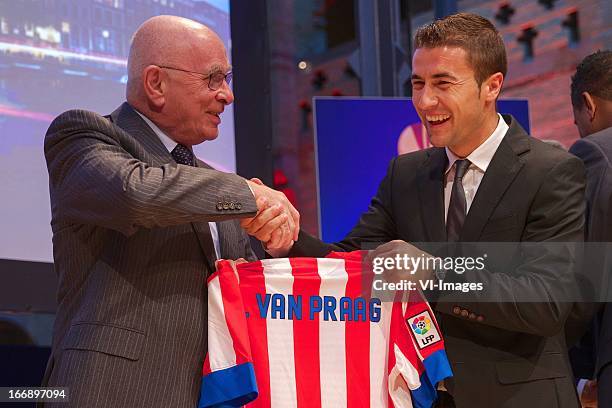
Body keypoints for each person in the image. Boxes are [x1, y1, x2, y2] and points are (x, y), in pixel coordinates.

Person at [246, 13, 586, 408]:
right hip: (420, 395)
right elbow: (353, 262)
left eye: (443, 83)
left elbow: (546, 302)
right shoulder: (405, 173)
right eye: (418, 84)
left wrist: (434, 273)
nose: (425, 101)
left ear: (492, 86)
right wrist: (285, 240)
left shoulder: (551, 170)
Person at [41, 15, 297, 407]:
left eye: (227, 79)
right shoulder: (82, 136)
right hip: (106, 393)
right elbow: (135, 193)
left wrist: (274, 242)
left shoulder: (219, 186)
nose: (227, 95)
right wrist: (250, 194)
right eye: (213, 79)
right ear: (156, 83)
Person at [567, 49, 612, 408]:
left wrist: (575, 374)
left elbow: (587, 275)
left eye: (577, 119)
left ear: (588, 104)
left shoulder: (596, 151)